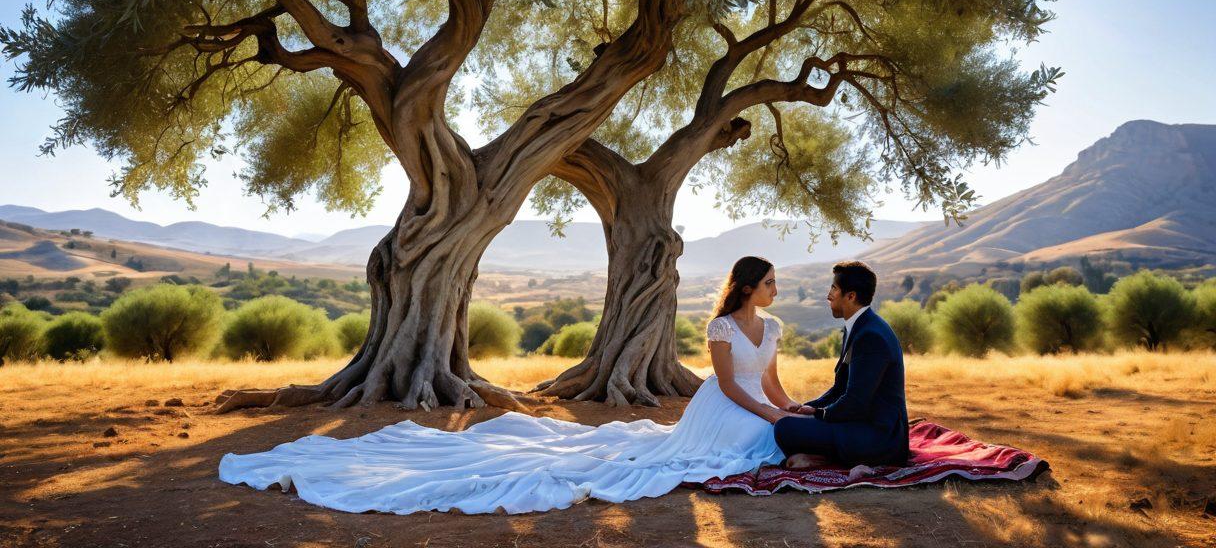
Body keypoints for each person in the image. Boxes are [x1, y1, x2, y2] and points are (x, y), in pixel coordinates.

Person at [218, 255, 802, 515]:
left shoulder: (770, 326)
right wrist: (771, 417)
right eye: (770, 282)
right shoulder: (723, 326)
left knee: (783, 428)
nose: (776, 290)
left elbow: (772, 381)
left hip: (754, 402)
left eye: (776, 283)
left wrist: (789, 407)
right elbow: (728, 385)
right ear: (749, 286)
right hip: (724, 405)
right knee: (761, 439)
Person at [773, 260, 909, 470]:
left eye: (834, 288)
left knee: (784, 428)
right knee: (790, 419)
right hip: (860, 423)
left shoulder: (870, 336)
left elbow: (855, 402)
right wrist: (809, 407)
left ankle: (825, 458)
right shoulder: (857, 327)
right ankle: (821, 457)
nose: (828, 295)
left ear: (851, 296)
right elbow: (840, 388)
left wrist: (819, 414)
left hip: (879, 437)